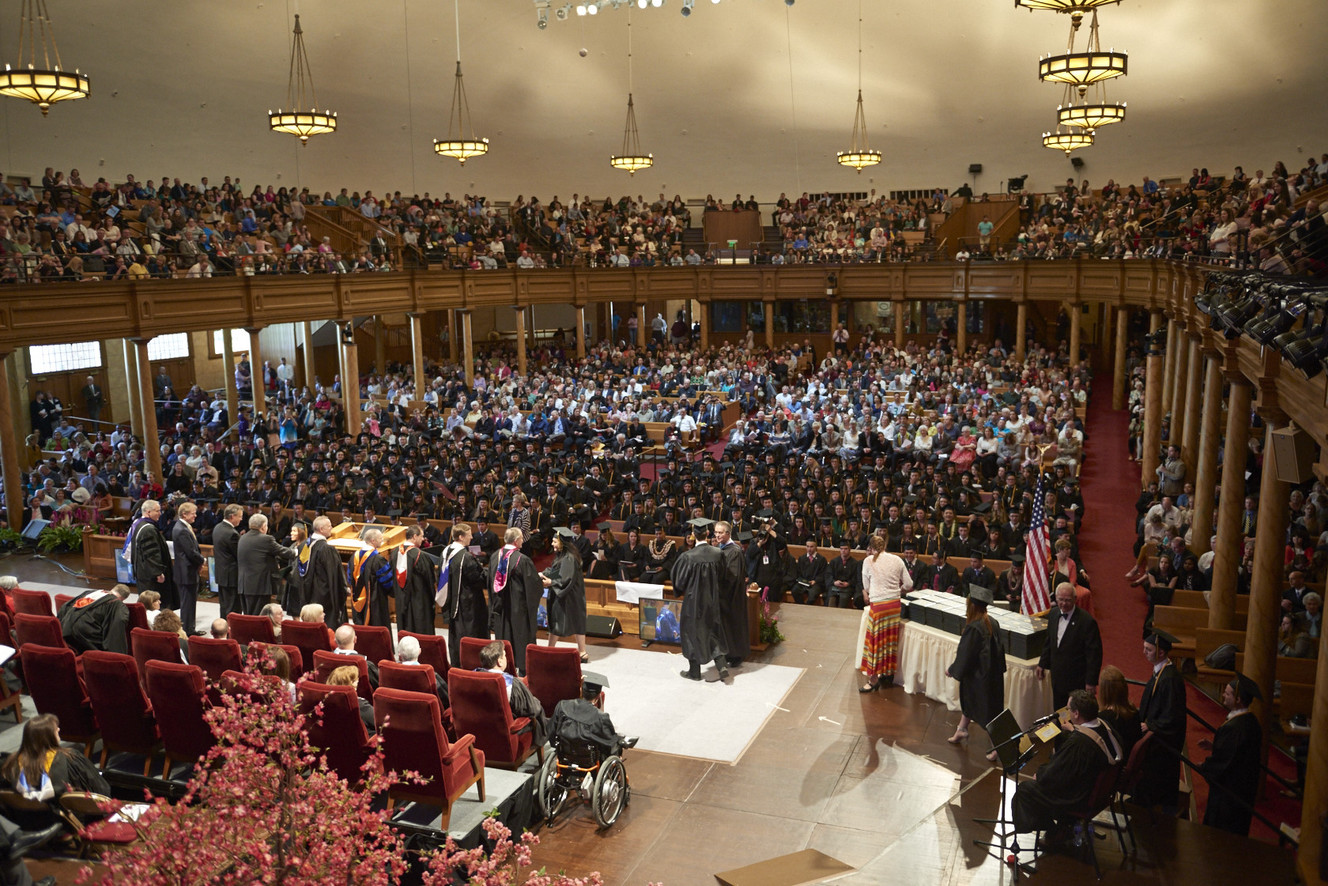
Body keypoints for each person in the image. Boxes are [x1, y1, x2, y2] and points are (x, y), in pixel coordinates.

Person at [1012, 689, 1123, 837]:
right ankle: (1062, 827)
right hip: (1098, 793)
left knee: (1025, 790)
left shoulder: (1078, 743)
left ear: (1077, 713)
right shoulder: (1103, 725)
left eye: (1069, 709)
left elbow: (1055, 774)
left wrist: (1040, 774)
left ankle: (1055, 831)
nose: (1068, 713)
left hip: (1079, 798)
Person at [0, 715, 111, 830]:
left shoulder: (10, 764)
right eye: (55, 728)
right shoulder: (70, 758)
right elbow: (102, 792)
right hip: (69, 826)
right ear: (47, 736)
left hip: (31, 825)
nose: (58, 729)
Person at [1197, 673, 1264, 836]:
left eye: (1227, 694)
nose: (1223, 696)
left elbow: (1225, 762)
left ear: (1238, 699)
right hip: (1241, 789)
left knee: (1222, 833)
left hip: (1230, 793)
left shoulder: (1236, 727)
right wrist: (1215, 746)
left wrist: (1204, 767)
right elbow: (1236, 752)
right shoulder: (1250, 721)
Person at [946, 585, 1006, 757]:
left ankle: (999, 746)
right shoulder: (992, 622)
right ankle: (962, 729)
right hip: (992, 675)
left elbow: (966, 654)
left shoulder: (974, 627)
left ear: (971, 606)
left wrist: (953, 669)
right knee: (973, 705)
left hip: (979, 678)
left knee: (987, 711)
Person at [1135, 628, 1187, 812]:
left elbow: (1172, 716)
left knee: (1159, 782)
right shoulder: (1162, 671)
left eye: (1148, 649)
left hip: (1164, 744)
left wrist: (1149, 724)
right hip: (1157, 737)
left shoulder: (1170, 679)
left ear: (1161, 652)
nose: (1144, 653)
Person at [672, 518, 729, 683]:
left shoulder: (688, 556)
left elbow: (679, 581)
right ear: (708, 533)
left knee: (691, 633)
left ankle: (694, 672)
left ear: (692, 535)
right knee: (713, 630)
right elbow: (723, 576)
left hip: (693, 603)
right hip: (713, 600)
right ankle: (721, 665)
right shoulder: (718, 553)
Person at [858, 535, 912, 692]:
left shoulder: (868, 561)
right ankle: (886, 673)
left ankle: (873, 679)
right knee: (888, 641)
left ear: (871, 547)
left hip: (879, 606)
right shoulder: (897, 559)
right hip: (894, 606)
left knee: (875, 643)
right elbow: (909, 584)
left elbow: (866, 588)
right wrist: (896, 590)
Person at [1036, 582, 1102, 709]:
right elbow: (1049, 641)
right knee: (1059, 711)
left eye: (1068, 600)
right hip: (1057, 677)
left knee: (1076, 713)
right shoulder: (1054, 614)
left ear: (1075, 599)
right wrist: (1042, 663)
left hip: (1077, 680)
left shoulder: (1087, 622)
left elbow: (1094, 654)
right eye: (1060, 600)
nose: (1064, 604)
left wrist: (1091, 681)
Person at [488, 527, 542, 675]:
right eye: (521, 538)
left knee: (504, 637)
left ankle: (504, 667)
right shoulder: (522, 559)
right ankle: (524, 671)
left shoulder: (494, 556)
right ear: (517, 540)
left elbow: (490, 583)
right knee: (520, 638)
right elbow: (533, 586)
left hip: (500, 608)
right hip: (518, 608)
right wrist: (541, 581)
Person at [438, 522, 490, 670]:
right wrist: (489, 574)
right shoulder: (465, 557)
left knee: (455, 631)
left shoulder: (445, 552)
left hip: (451, 600)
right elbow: (478, 579)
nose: (472, 536)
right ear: (461, 537)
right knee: (469, 633)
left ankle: (456, 662)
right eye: (469, 534)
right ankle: (470, 664)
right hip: (467, 603)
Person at [550, 672, 636, 757]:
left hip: (565, 753)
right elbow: (609, 742)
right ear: (598, 697)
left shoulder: (562, 706)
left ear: (581, 690)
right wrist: (619, 741)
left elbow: (551, 731)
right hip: (589, 758)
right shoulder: (601, 717)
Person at [478, 639, 547, 744]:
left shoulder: (467, 678)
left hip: (478, 733)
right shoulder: (511, 683)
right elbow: (532, 710)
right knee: (536, 707)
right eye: (504, 656)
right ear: (499, 661)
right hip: (505, 736)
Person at [542, 528, 588, 662]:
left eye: (554, 541)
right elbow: (557, 571)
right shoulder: (563, 554)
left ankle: (580, 652)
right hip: (569, 594)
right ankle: (581, 652)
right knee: (572, 620)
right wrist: (545, 574)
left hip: (570, 595)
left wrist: (551, 582)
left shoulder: (569, 558)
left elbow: (565, 579)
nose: (552, 544)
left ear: (562, 542)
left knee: (562, 621)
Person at [238, 513, 296, 616]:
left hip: (244, 584)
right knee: (259, 616)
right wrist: (296, 552)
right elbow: (283, 551)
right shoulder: (266, 539)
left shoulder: (243, 537)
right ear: (263, 526)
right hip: (259, 585)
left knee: (248, 615)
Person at [298, 516, 349, 632]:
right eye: (329, 526)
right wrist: (343, 591)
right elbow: (335, 577)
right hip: (325, 597)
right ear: (321, 529)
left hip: (308, 594)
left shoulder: (304, 546)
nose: (331, 527)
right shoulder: (326, 549)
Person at [128, 499, 176, 609]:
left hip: (143, 572)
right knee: (154, 604)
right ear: (148, 512)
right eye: (157, 511)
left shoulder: (139, 524)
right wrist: (158, 572)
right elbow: (151, 554)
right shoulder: (148, 529)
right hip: (150, 576)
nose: (160, 513)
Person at [713, 521, 750, 667]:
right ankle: (726, 653)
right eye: (716, 532)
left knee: (733, 625)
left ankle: (736, 655)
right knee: (725, 626)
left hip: (731, 595)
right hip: (723, 595)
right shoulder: (719, 549)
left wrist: (717, 581)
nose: (717, 535)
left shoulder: (734, 551)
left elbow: (733, 576)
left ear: (728, 533)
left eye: (720, 532)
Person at [58, 584, 131, 654]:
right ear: (123, 599)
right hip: (83, 634)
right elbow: (119, 622)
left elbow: (66, 606)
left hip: (65, 626)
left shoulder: (91, 592)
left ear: (112, 589)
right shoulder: (116, 603)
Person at [392, 525, 437, 635]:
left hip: (401, 600)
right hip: (419, 601)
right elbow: (430, 580)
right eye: (421, 536)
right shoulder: (420, 555)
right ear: (414, 536)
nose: (423, 539)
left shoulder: (394, 553)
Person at [170, 500, 205, 635]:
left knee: (190, 603)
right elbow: (190, 552)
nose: (195, 516)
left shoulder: (182, 527)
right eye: (193, 514)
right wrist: (202, 560)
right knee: (187, 604)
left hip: (186, 571)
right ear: (184, 514)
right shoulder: (181, 529)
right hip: (186, 572)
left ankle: (190, 628)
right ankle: (187, 630)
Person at [347, 527, 393, 628]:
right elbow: (388, 582)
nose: (382, 540)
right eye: (380, 538)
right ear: (373, 540)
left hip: (356, 598)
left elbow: (350, 579)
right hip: (375, 602)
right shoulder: (378, 560)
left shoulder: (354, 556)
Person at [1096, 665, 1142, 762]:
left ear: (1104, 692)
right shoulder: (1133, 711)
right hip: (1128, 762)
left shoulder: (1104, 720)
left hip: (1115, 768)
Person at [211, 504, 243, 619]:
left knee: (224, 606)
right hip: (231, 576)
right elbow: (239, 555)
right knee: (233, 607)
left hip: (221, 574)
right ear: (232, 516)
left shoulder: (218, 527)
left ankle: (224, 630)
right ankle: (232, 633)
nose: (241, 519)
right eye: (240, 516)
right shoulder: (232, 533)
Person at [396, 635, 448, 703]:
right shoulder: (430, 676)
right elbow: (446, 699)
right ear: (419, 651)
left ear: (399, 655)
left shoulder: (388, 672)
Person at [325, 665, 375, 734]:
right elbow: (382, 723)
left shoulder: (327, 704)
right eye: (353, 680)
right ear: (347, 685)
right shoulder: (360, 706)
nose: (358, 681)